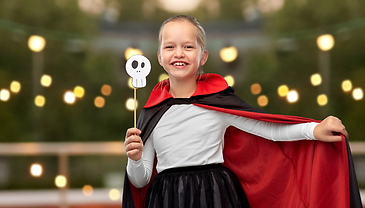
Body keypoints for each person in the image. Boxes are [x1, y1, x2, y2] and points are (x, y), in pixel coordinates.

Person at [123, 15, 361, 208]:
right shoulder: (150, 113)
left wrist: (314, 129)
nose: (179, 53)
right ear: (159, 58)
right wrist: (134, 160)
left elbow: (268, 128)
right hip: (167, 198)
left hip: (215, 194)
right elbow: (140, 179)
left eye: (188, 46)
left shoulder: (219, 103)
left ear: (203, 56)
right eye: (170, 47)